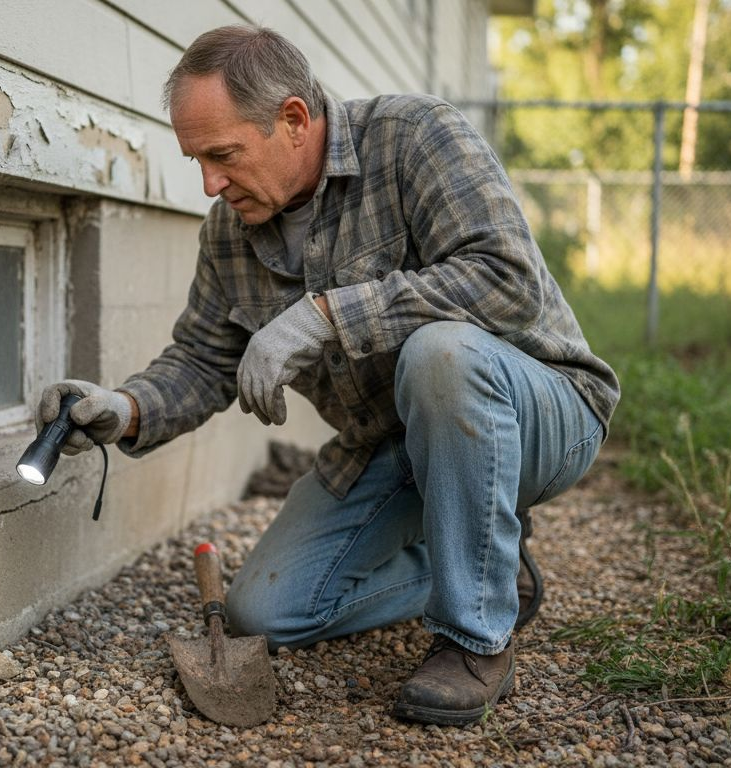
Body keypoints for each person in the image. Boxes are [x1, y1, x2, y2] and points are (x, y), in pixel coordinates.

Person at [34, 24, 618, 725]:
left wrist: (324, 315)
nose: (210, 183)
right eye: (196, 160)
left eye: (223, 155)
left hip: (540, 412)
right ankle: (489, 565)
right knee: (264, 610)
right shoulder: (229, 233)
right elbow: (201, 360)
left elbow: (505, 281)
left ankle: (474, 641)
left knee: (442, 353)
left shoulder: (414, 137)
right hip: (394, 442)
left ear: (293, 119)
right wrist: (123, 407)